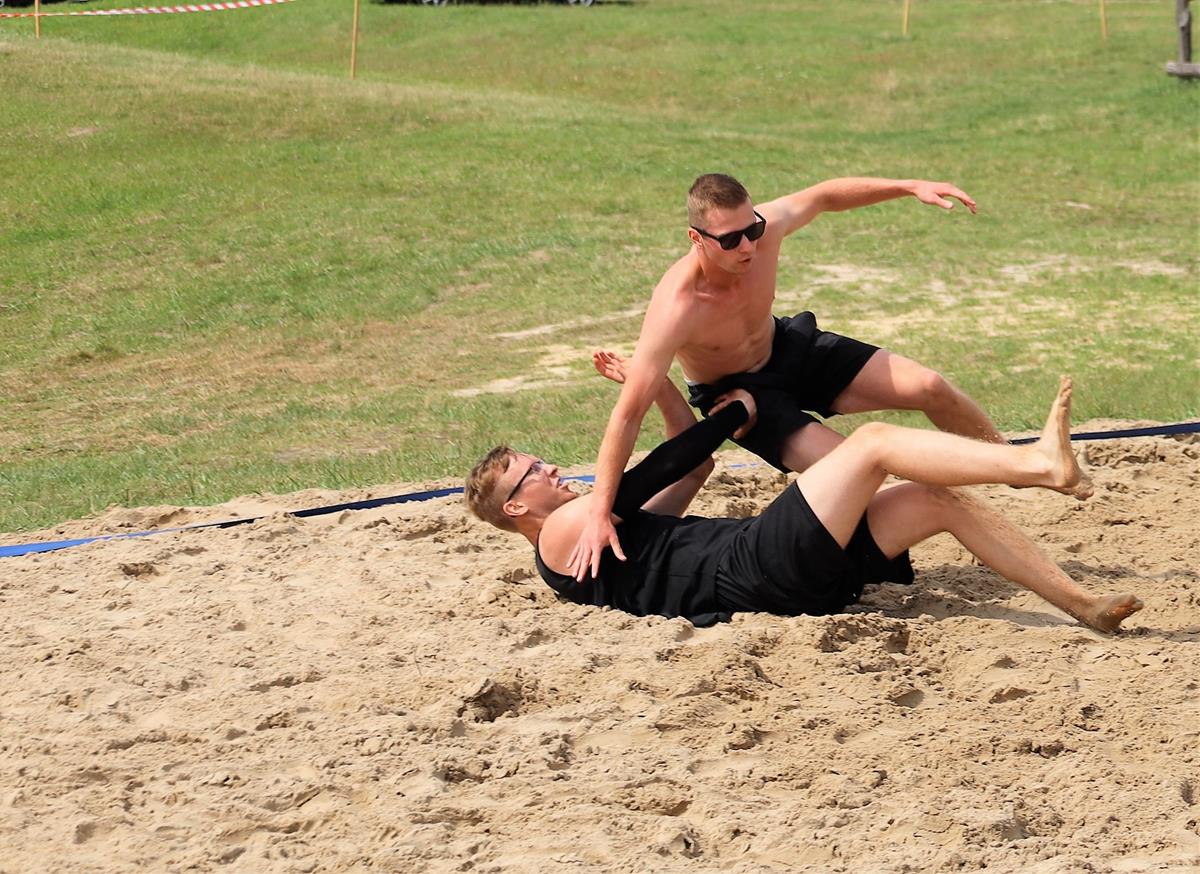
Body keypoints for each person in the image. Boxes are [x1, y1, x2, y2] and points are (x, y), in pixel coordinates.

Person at [572, 172, 1092, 582]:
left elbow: (823, 196)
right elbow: (628, 414)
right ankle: (881, 562)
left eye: (753, 230)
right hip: (745, 399)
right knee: (860, 470)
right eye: (731, 240)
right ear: (697, 238)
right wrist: (599, 511)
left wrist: (907, 186)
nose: (748, 247)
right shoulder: (677, 306)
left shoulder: (762, 231)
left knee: (931, 387)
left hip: (787, 348)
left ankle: (1014, 464)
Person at [465, 354, 1142, 634]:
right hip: (751, 568)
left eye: (543, 461)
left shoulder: (602, 538)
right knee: (873, 443)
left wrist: (659, 385)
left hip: (775, 578)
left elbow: (688, 468)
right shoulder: (562, 538)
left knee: (936, 500)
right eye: (534, 472)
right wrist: (736, 413)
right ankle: (1037, 466)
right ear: (516, 508)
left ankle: (1082, 605)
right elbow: (651, 471)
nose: (553, 470)